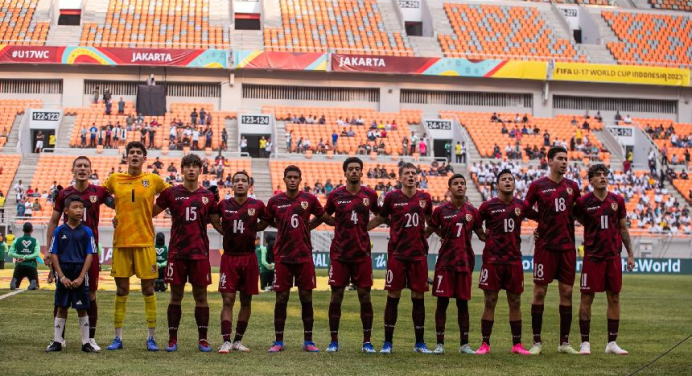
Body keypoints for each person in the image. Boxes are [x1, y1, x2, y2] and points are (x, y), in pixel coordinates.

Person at [103, 141, 169, 352]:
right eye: (131, 152)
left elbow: (170, 197)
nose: (134, 155)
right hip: (122, 242)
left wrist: (153, 212)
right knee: (121, 290)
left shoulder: (153, 180)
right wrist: (116, 209)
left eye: (138, 153)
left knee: (148, 289)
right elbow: (100, 194)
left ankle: (151, 338)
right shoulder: (115, 179)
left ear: (144, 158)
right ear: (126, 157)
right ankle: (117, 338)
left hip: (145, 242)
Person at [310, 157, 379, 353]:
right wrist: (308, 227)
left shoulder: (370, 195)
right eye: (351, 169)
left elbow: (381, 214)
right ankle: (334, 341)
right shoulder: (336, 195)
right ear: (345, 172)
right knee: (336, 296)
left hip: (362, 253)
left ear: (362, 172)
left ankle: (367, 341)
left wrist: (367, 227)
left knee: (365, 297)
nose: (354, 172)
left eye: (358, 169)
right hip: (339, 253)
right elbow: (324, 215)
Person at [154, 154, 221, 353]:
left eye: (195, 166)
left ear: (200, 170)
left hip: (199, 252)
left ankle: (203, 339)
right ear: (181, 170)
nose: (191, 169)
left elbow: (217, 224)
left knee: (201, 297)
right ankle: (172, 339)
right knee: (176, 296)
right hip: (177, 252)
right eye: (187, 166)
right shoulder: (171, 193)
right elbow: (149, 212)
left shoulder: (208, 196)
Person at [47, 156, 114, 351]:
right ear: (73, 170)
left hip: (88, 253)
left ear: (91, 170)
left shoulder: (99, 192)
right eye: (79, 166)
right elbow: (53, 221)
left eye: (86, 166)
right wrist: (49, 250)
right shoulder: (64, 194)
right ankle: (59, 339)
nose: (82, 169)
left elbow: (118, 205)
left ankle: (90, 339)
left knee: (91, 294)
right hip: (66, 251)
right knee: (61, 296)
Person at [367, 162, 433, 354]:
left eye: (413, 173)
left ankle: (419, 343)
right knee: (393, 296)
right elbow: (380, 218)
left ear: (417, 177)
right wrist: (362, 229)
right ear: (400, 177)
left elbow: (432, 222)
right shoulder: (392, 197)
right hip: (397, 254)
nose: (411, 176)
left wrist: (424, 235)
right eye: (407, 173)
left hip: (418, 255)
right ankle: (388, 343)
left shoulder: (425, 198)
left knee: (418, 298)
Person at [265, 165, 330, 353]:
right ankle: (278, 341)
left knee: (306, 297)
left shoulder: (308, 199)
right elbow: (269, 219)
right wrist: (280, 224)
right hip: (283, 256)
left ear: (300, 180)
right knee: (281, 298)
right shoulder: (275, 201)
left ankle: (308, 340)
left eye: (295, 177)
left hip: (303, 256)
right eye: (289, 177)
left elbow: (322, 216)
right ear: (284, 179)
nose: (292, 180)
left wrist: (309, 226)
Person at [525, 146, 581, 355]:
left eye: (566, 159)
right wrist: (540, 220)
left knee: (566, 293)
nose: (565, 162)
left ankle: (564, 343)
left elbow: (578, 211)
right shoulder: (538, 186)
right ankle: (536, 342)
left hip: (567, 247)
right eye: (560, 158)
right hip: (545, 248)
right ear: (549, 161)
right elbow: (525, 207)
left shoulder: (573, 187)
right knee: (539, 292)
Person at [573, 164, 635, 355]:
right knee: (586, 298)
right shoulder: (583, 202)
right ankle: (585, 343)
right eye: (598, 175)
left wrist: (630, 254)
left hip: (613, 257)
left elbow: (623, 229)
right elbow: (575, 217)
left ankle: (612, 343)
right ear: (590, 180)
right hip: (592, 257)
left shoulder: (618, 200)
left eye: (605, 174)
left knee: (614, 297)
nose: (602, 177)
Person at [476, 169, 537, 355]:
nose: (508, 182)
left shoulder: (521, 205)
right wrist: (482, 236)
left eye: (511, 179)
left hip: (513, 260)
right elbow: (476, 223)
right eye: (504, 179)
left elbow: (542, 217)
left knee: (515, 302)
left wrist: (539, 230)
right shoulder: (488, 206)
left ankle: (517, 344)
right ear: (497, 185)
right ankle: (485, 344)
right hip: (492, 260)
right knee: (490, 301)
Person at [425, 174, 485, 355]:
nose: (459, 186)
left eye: (462, 184)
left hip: (465, 263)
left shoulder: (473, 212)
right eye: (456, 184)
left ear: (466, 188)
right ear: (449, 189)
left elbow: (482, 235)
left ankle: (464, 344)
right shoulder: (441, 210)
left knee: (463, 305)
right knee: (442, 303)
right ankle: (439, 344)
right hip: (445, 263)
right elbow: (427, 232)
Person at [216, 171, 272, 354]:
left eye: (243, 181)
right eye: (236, 181)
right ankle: (226, 340)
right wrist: (223, 230)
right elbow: (213, 218)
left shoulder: (257, 205)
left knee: (246, 300)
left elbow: (267, 220)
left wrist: (254, 228)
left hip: (248, 257)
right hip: (230, 257)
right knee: (228, 299)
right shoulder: (224, 204)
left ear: (249, 185)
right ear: (232, 185)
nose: (240, 183)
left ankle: (238, 340)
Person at [45, 196, 97, 353]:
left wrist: (81, 277)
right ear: (66, 211)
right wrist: (61, 276)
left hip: (80, 271)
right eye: (75, 207)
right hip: (64, 271)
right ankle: (57, 341)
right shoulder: (60, 230)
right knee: (61, 307)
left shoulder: (87, 231)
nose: (79, 210)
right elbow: (54, 254)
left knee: (82, 308)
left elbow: (90, 255)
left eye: (81, 208)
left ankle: (86, 343)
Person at [9, 222, 40, 290]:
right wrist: (26, 257)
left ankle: (15, 281)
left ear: (23, 230)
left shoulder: (17, 240)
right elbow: (36, 254)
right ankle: (34, 283)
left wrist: (20, 256)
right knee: (36, 285)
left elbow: (10, 253)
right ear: (32, 230)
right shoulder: (35, 241)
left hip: (19, 266)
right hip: (31, 266)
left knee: (16, 284)